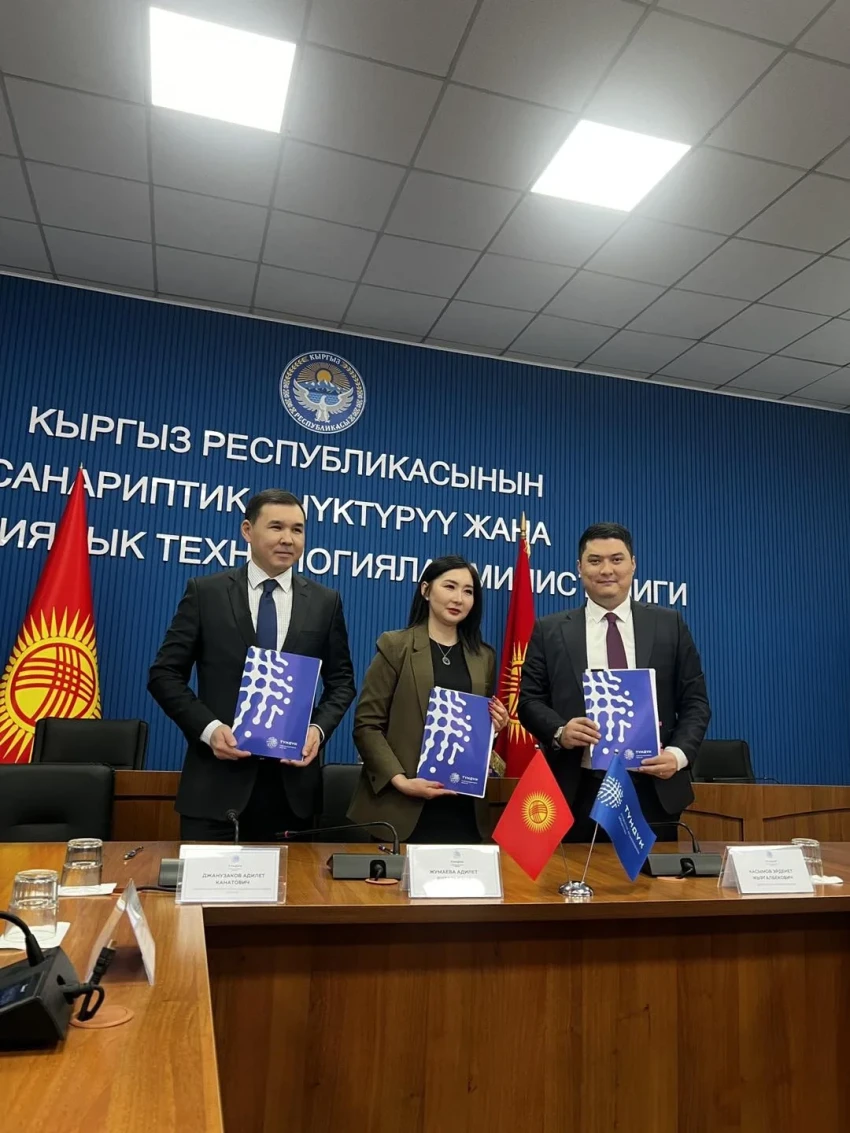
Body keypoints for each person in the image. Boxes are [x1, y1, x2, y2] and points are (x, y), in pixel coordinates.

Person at [148, 489, 356, 841]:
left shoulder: (325, 602)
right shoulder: (206, 593)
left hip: (292, 795)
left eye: (297, 529)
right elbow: (164, 674)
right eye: (276, 527)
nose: (288, 539)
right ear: (247, 530)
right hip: (215, 787)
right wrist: (209, 729)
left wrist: (317, 730)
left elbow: (342, 682)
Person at [518, 522, 710, 842]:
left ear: (633, 564)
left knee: (654, 876)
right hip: (579, 789)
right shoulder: (550, 630)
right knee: (581, 874)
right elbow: (529, 701)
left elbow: (696, 702)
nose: (606, 570)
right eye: (595, 561)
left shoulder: (669, 624)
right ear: (579, 568)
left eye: (616, 559)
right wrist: (561, 731)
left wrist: (677, 755)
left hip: (653, 788)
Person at [348, 556, 509, 844]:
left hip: (463, 808)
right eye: (449, 586)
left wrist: (493, 729)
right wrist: (401, 781)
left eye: (468, 591)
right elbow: (367, 725)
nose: (458, 598)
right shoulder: (396, 646)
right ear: (425, 590)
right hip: (402, 805)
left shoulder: (484, 656)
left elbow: (475, 731)